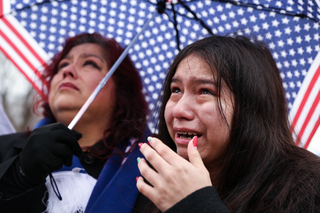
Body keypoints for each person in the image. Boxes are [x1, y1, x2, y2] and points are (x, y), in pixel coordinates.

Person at [134, 35, 320, 213]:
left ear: (251, 107)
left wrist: (195, 204)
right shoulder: (156, 184)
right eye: (176, 90)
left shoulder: (309, 188)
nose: (178, 110)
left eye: (205, 91)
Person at [0, 32, 150, 213]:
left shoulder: (151, 172)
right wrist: (19, 173)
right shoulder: (4, 148)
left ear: (122, 91)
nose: (67, 71)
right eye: (63, 64)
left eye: (90, 63)